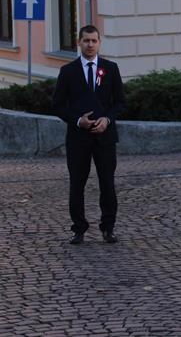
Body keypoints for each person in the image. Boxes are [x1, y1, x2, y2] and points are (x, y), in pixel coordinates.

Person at [52, 24, 125, 244]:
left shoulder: (111, 68)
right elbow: (58, 105)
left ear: (99, 43)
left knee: (107, 184)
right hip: (78, 138)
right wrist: (78, 121)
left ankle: (108, 228)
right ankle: (79, 229)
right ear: (79, 42)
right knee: (77, 185)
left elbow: (120, 102)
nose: (90, 45)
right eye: (86, 40)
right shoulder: (68, 71)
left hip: (105, 137)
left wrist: (107, 120)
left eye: (94, 41)